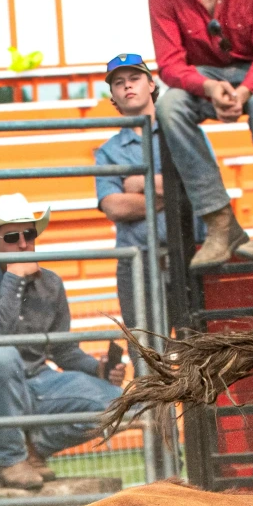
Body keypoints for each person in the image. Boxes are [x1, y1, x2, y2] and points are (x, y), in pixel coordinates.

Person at [0, 194, 124, 492]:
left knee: (121, 402)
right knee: (1, 356)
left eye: (28, 235)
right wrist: (14, 278)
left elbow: (63, 349)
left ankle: (33, 449)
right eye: (12, 237)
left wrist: (97, 369)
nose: (22, 244)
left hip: (38, 383)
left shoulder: (51, 283)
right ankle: (10, 460)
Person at [149, 0, 253, 266]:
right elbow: (169, 64)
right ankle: (220, 222)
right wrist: (209, 88)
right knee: (169, 106)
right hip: (204, 75)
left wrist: (243, 91)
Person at [94, 53, 165, 336]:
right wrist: (167, 192)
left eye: (134, 78)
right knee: (143, 352)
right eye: (119, 83)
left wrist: (139, 182)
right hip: (137, 261)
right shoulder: (108, 150)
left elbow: (199, 187)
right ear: (113, 96)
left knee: (198, 349)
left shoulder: (182, 132)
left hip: (186, 252)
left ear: (151, 84)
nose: (128, 86)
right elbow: (114, 207)